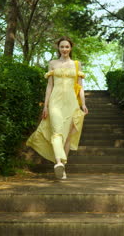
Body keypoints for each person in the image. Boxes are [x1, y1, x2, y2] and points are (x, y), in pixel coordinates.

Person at [26, 36, 89, 179]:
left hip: (71, 102)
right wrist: (46, 105)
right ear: (58, 48)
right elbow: (49, 86)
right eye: (62, 47)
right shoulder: (52, 64)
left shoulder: (76, 64)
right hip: (55, 101)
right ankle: (58, 162)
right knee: (57, 132)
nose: (64, 49)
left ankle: (62, 168)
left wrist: (83, 104)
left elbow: (80, 88)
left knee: (67, 136)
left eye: (67, 47)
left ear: (70, 48)